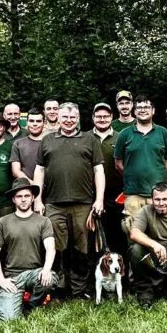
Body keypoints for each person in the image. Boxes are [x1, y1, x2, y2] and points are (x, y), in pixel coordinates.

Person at [33, 102, 105, 299]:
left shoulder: (89, 139)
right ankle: (58, 287)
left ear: (78, 119)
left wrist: (99, 200)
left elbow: (98, 170)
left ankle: (79, 289)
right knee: (56, 247)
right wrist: (37, 199)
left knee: (81, 248)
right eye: (65, 117)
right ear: (57, 117)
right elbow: (39, 170)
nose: (68, 121)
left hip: (83, 203)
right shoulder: (47, 140)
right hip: (54, 204)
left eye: (72, 117)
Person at [0, 179, 59, 320]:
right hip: (13, 278)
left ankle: (30, 305)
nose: (23, 200)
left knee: (49, 279)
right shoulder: (4, 221)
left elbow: (50, 248)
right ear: (14, 199)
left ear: (33, 198)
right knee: (8, 319)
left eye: (27, 196)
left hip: (35, 273)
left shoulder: (43, 221)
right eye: (19, 196)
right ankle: (6, 301)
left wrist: (46, 270)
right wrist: (2, 280)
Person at [114, 95, 167, 232]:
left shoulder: (163, 133)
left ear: (153, 111)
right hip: (133, 194)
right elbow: (118, 163)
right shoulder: (125, 134)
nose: (143, 110)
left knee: (159, 232)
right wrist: (132, 175)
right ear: (134, 111)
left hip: (158, 194)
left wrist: (157, 173)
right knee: (132, 232)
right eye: (139, 107)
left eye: (146, 107)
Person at [89, 103, 127, 254]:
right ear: (93, 118)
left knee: (117, 234)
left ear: (111, 117)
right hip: (90, 193)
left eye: (105, 116)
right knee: (93, 235)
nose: (102, 119)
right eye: (99, 116)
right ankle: (94, 274)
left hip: (116, 193)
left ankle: (120, 274)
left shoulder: (121, 137)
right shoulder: (85, 137)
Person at [10, 110, 45, 182]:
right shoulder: (18, 143)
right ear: (27, 123)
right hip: (26, 189)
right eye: (31, 121)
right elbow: (16, 171)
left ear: (44, 123)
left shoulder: (50, 143)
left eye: (38, 121)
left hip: (50, 190)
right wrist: (34, 186)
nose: (35, 124)